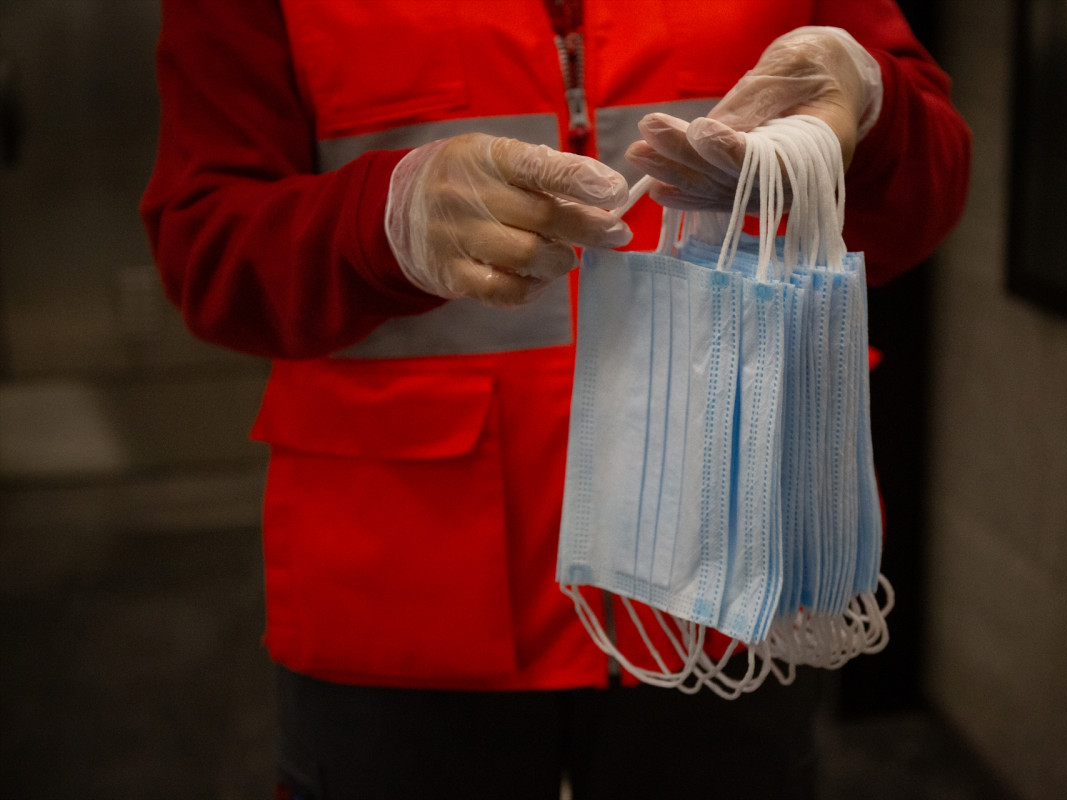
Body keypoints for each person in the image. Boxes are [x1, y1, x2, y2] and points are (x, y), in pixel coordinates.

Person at [141, 1, 970, 797]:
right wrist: (383, 220)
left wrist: (875, 108)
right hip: (405, 595)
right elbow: (205, 246)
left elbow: (929, 194)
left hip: (728, 569)